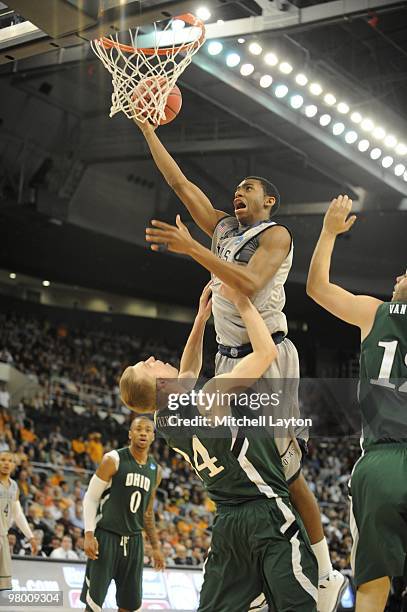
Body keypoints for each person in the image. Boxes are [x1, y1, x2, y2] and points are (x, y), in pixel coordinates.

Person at [134, 118, 345, 611]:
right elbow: (179, 182)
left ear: (269, 201)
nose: (237, 194)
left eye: (247, 189)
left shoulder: (277, 236)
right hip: (230, 358)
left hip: (267, 353)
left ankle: (325, 568)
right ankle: (250, 577)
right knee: (240, 465)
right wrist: (148, 132)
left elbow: (249, 285)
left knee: (283, 470)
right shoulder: (224, 228)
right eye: (235, 190)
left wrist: (191, 249)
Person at [120, 282, 318, 612]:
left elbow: (187, 371)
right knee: (299, 603)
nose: (153, 358)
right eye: (148, 365)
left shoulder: (165, 421)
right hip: (265, 509)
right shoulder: (211, 397)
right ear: (161, 384)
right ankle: (323, 573)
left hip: (226, 520)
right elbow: (266, 352)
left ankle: (253, 594)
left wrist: (201, 320)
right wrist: (242, 303)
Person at [306, 194, 407, 612]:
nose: (397, 276)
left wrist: (328, 232)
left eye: (403, 274)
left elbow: (316, 287)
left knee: (373, 585)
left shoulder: (374, 311)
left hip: (383, 461)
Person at [80, 417, 165, 612]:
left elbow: (148, 512)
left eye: (147, 430)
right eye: (138, 429)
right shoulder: (113, 459)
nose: (143, 433)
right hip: (107, 537)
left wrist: (156, 547)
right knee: (94, 604)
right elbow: (91, 498)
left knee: (130, 605)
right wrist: (89, 534)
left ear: (153, 436)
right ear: (130, 434)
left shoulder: (156, 470)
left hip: (135, 542)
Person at [0, 451, 37, 590]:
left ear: (14, 465)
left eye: (9, 461)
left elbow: (18, 514)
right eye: (2, 459)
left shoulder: (14, 486)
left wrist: (31, 536)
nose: (6, 463)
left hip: (3, 536)